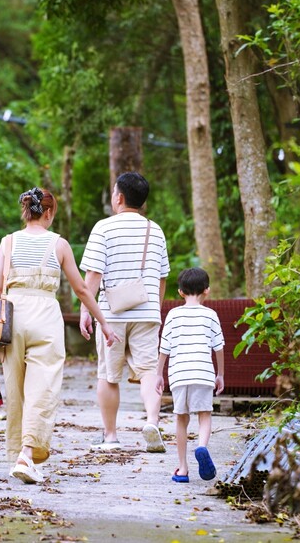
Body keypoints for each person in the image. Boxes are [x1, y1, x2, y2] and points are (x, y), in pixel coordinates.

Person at [0, 187, 118, 485]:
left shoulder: (7, 243)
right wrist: (104, 323)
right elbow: (82, 289)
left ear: (26, 211)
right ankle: (27, 455)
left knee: (16, 388)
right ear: (48, 213)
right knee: (43, 388)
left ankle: (19, 453)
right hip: (45, 316)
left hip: (11, 317)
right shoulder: (59, 244)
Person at [79, 172, 170, 452]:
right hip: (147, 313)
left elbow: (94, 274)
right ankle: (152, 422)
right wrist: (155, 308)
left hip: (111, 314)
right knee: (147, 372)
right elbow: (163, 277)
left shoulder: (103, 228)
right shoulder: (155, 230)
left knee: (108, 375)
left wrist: (86, 309)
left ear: (118, 197)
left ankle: (110, 437)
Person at [156, 267, 225, 483]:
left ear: (180, 292)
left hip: (179, 374)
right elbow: (219, 347)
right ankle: (201, 447)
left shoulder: (173, 315)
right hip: (203, 373)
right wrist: (220, 374)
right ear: (207, 290)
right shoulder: (211, 315)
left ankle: (183, 469)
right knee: (204, 415)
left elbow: (164, 348)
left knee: (181, 419)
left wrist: (159, 374)